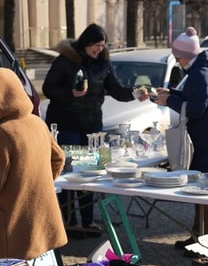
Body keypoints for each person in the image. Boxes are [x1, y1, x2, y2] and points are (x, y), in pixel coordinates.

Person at [42, 23, 149, 236]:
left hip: (92, 126)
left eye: (103, 45)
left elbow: (118, 90)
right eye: (97, 45)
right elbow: (48, 89)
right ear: (86, 42)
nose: (99, 49)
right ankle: (69, 220)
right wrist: (70, 93)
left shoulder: (104, 64)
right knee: (69, 173)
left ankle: (88, 220)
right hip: (66, 123)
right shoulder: (65, 61)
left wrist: (137, 93)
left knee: (91, 172)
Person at [0, 67, 67, 261]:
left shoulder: (0, 134)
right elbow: (59, 158)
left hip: (12, 226)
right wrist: (39, 184)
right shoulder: (37, 122)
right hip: (43, 220)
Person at [154, 27, 208, 248]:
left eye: (178, 58)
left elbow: (195, 109)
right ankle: (197, 236)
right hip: (204, 141)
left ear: (186, 56)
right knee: (198, 194)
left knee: (207, 196)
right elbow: (189, 97)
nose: (177, 61)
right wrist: (170, 94)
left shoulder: (200, 74)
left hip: (205, 142)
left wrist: (169, 101)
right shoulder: (200, 70)